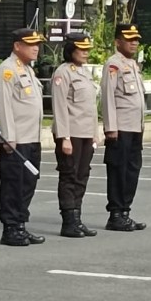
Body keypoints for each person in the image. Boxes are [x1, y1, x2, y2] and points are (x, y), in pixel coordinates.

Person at [0, 28, 46, 247]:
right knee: (14, 184)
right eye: (30, 44)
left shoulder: (27, 70)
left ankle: (21, 224)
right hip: (16, 140)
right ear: (17, 46)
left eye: (37, 44)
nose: (36, 48)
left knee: (28, 184)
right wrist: (8, 137)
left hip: (31, 138)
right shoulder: (7, 70)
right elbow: (4, 105)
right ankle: (11, 228)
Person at [51, 33, 99, 238]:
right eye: (82, 49)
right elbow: (60, 107)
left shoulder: (84, 72)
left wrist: (95, 133)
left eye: (88, 49)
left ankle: (77, 218)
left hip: (85, 133)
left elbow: (90, 107)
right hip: (71, 133)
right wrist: (65, 137)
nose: (86, 52)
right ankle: (68, 221)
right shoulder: (63, 73)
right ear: (71, 50)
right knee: (69, 176)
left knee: (82, 176)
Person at [100, 24, 147, 232]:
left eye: (136, 39)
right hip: (120, 128)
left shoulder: (133, 65)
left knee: (132, 170)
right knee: (118, 170)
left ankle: (125, 211)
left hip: (135, 127)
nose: (134, 42)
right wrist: (110, 127)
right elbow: (108, 97)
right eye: (129, 39)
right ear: (117, 42)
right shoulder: (113, 64)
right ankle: (116, 214)